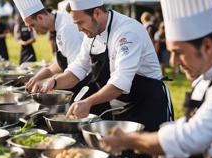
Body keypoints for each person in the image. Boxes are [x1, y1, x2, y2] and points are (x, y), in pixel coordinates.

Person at [101, 0, 212, 158]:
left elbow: (191, 136)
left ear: (206, 46)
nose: (173, 61)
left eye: (179, 52)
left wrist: (128, 140)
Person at [40, 0, 173, 132]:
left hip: (149, 103)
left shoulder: (127, 32)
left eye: (80, 22)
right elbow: (79, 68)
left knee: (147, 151)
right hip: (120, 104)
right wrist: (54, 82)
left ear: (97, 13)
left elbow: (121, 81)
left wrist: (88, 102)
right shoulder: (92, 32)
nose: (79, 29)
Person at [13, 0, 112, 117]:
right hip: (78, 88)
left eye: (32, 25)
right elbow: (60, 63)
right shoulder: (57, 25)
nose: (32, 30)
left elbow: (76, 73)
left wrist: (51, 83)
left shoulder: (67, 29)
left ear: (40, 17)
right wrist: (37, 77)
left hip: (87, 90)